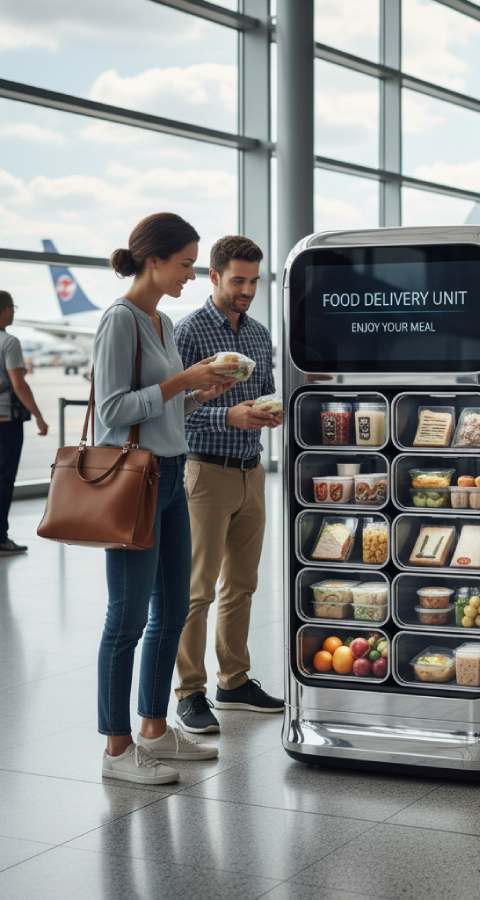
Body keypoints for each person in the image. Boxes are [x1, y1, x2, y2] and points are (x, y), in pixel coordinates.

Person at [95, 212, 237, 785]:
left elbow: (167, 412)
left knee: (173, 609)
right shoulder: (120, 321)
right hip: (137, 481)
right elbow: (111, 413)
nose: (191, 274)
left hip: (172, 474)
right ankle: (116, 747)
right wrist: (181, 382)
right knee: (126, 617)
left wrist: (201, 392)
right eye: (185, 264)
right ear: (153, 261)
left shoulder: (163, 323)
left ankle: (154, 728)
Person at [173, 236, 283, 733]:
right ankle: (189, 692)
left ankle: (233, 681)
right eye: (238, 280)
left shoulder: (259, 335)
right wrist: (230, 417)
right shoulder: (188, 332)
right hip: (204, 473)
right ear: (213, 277)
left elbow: (263, 395)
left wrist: (269, 412)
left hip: (250, 473)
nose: (247, 290)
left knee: (242, 584)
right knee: (197, 591)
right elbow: (174, 414)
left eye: (254, 281)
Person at [0, 290, 49, 555]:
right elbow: (19, 384)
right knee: (4, 479)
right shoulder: (9, 342)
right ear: (6, 309)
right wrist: (39, 417)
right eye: (12, 307)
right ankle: (0, 537)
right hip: (6, 421)